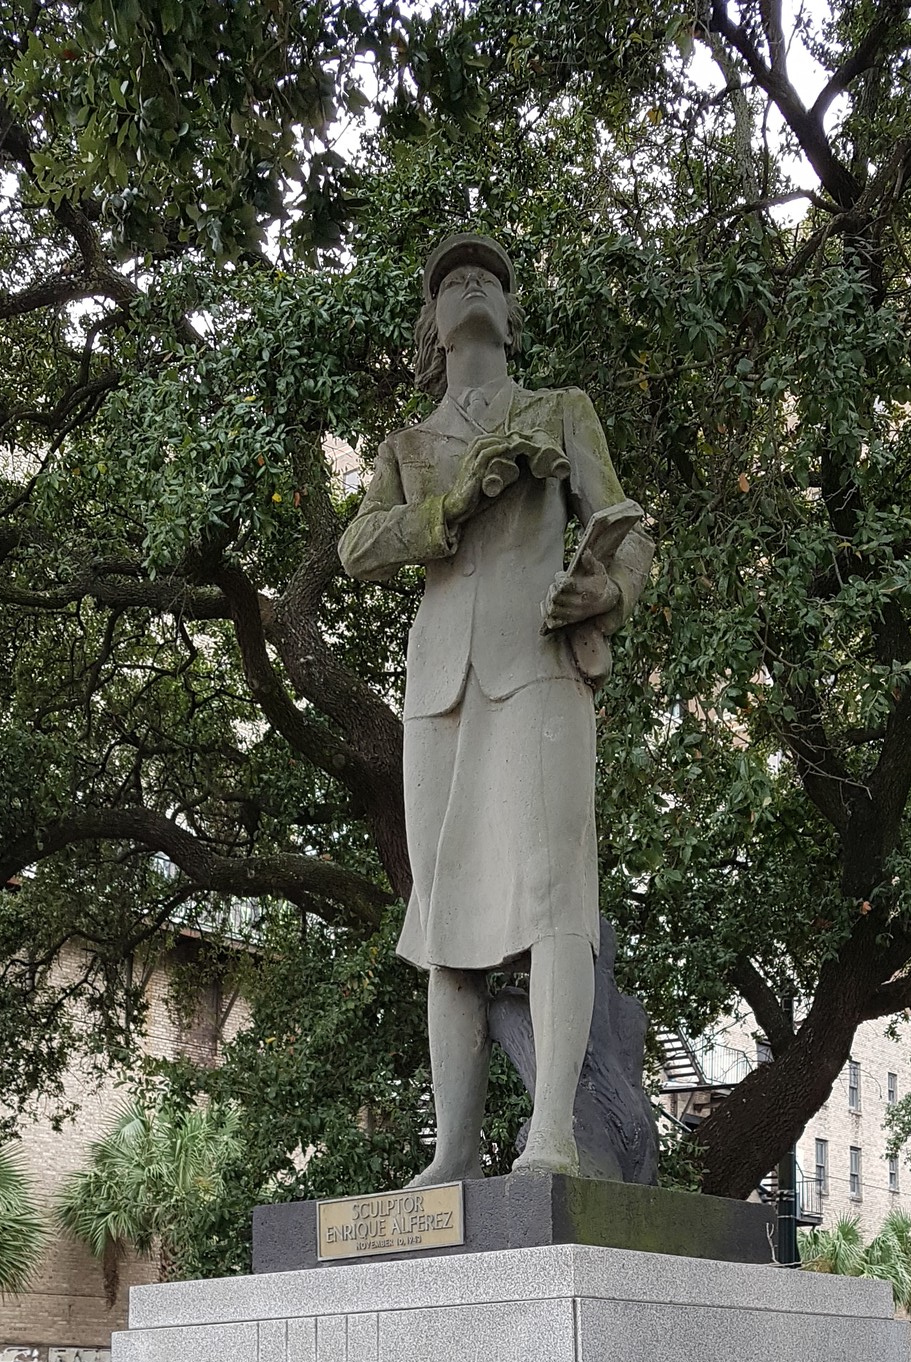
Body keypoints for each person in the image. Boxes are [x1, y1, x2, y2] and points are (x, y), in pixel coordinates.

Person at [339, 233, 654, 1184]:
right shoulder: (409, 448)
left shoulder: (561, 413)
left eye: (487, 279)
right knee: (444, 915)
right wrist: (453, 505)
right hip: (440, 687)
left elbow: (630, 526)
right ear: (433, 327)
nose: (469, 286)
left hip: (544, 666)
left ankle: (550, 1131)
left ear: (510, 316)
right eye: (450, 282)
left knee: (558, 892)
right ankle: (451, 1153)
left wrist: (607, 591)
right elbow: (358, 547)